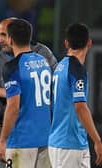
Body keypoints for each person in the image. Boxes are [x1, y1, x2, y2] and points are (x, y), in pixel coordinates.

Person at [0, 18, 52, 168]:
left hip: (22, 140)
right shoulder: (43, 61)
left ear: (11, 39)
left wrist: (2, 141)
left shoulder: (12, 67)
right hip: (45, 138)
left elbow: (13, 106)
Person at [48, 23, 102, 168]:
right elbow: (80, 107)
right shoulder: (76, 70)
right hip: (67, 144)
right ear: (89, 43)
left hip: (75, 142)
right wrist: (97, 140)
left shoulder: (60, 66)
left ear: (66, 43)